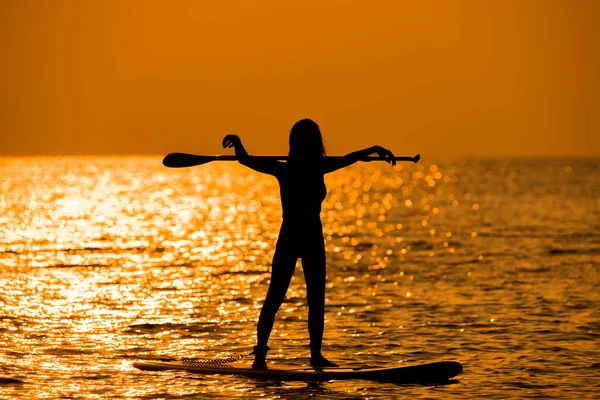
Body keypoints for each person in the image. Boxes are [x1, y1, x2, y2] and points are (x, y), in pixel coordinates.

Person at [222, 118, 396, 369]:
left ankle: (316, 356)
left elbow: (349, 157)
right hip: (291, 238)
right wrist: (239, 145)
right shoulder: (287, 169)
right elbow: (247, 160)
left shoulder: (315, 167)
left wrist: (372, 149)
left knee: (316, 301)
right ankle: (260, 357)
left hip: (313, 238)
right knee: (275, 297)